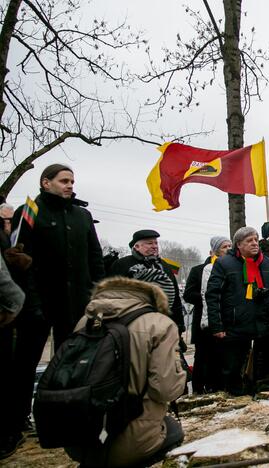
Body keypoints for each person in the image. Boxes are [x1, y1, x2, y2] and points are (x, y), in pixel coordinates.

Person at [2, 164, 104, 455]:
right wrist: (31, 302)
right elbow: (20, 262)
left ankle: (63, 421)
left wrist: (96, 296)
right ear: (45, 183)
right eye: (63, 181)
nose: (70, 185)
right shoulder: (30, 211)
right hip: (37, 305)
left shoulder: (82, 216)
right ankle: (14, 424)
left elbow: (94, 260)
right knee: (24, 368)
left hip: (75, 307)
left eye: (72, 180)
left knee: (70, 367)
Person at [64, 277, 187, 468]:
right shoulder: (158, 324)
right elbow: (166, 389)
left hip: (79, 440)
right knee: (173, 429)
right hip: (132, 441)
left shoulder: (86, 320)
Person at [206, 227, 269, 395]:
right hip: (235, 325)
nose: (255, 243)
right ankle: (235, 398)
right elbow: (213, 295)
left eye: (256, 239)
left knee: (262, 366)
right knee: (233, 367)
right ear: (238, 245)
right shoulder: (224, 263)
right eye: (249, 241)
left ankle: (258, 394)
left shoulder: (268, 263)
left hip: (262, 324)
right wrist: (217, 326)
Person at [110, 230, 186, 335]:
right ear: (136, 246)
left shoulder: (164, 266)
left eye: (156, 243)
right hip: (131, 326)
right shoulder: (123, 264)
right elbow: (112, 296)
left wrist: (179, 326)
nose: (154, 246)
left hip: (162, 325)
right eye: (149, 243)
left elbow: (176, 299)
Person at [183, 236, 231, 394]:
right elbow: (188, 294)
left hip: (224, 320)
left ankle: (218, 387)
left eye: (230, 246)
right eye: (225, 247)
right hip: (203, 321)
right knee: (202, 356)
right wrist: (210, 297)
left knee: (221, 357)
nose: (228, 249)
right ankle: (198, 389)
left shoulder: (231, 269)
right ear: (216, 250)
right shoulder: (198, 270)